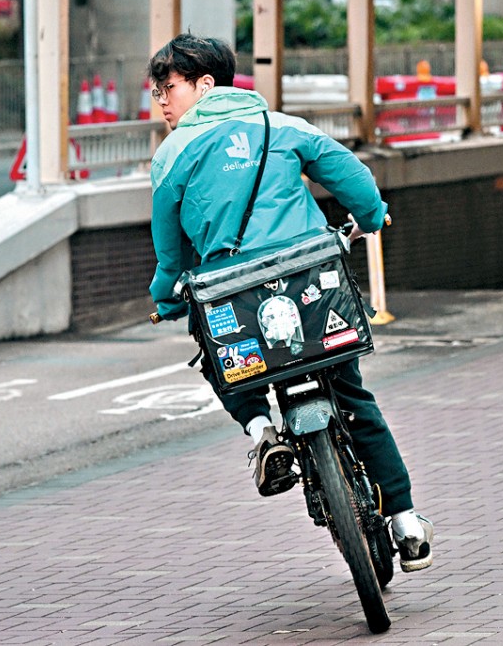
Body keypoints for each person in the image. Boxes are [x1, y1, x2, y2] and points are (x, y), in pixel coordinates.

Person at [147, 33, 433, 572]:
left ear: (206, 86)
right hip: (311, 281)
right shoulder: (282, 126)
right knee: (354, 397)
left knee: (219, 355)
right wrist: (371, 219)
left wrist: (166, 298)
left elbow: (169, 252)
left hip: (234, 294)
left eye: (170, 88)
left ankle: (262, 432)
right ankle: (407, 520)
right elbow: (352, 177)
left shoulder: (172, 156)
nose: (162, 101)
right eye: (158, 91)